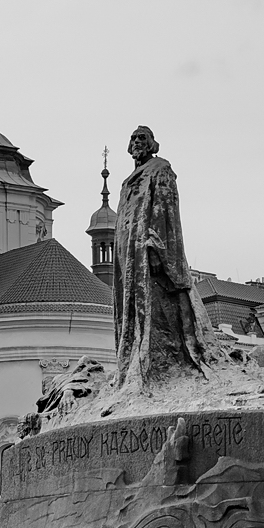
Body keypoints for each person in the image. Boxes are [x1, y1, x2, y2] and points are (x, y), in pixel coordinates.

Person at [112, 126, 209, 389]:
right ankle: (132, 358)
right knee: (131, 307)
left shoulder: (160, 169)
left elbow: (165, 209)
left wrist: (156, 247)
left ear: (153, 143)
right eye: (132, 138)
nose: (136, 142)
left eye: (142, 137)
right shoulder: (127, 181)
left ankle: (158, 363)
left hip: (147, 251)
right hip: (127, 253)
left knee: (156, 307)